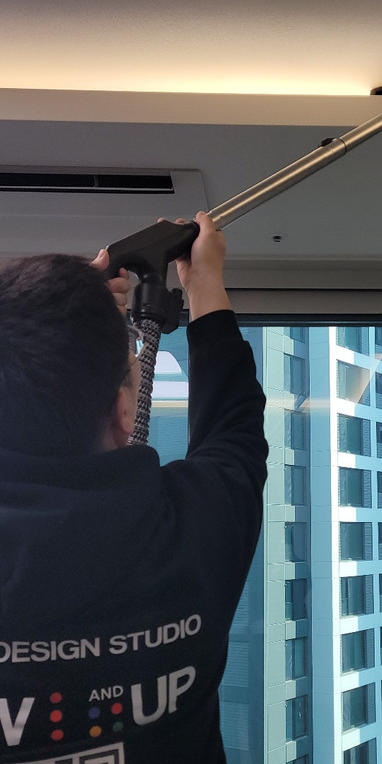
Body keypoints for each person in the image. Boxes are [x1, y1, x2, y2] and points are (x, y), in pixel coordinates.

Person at [0, 213, 268, 763]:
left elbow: (233, 430)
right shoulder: (191, 531)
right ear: (126, 411)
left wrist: (57, 318)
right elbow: (233, 425)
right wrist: (204, 284)